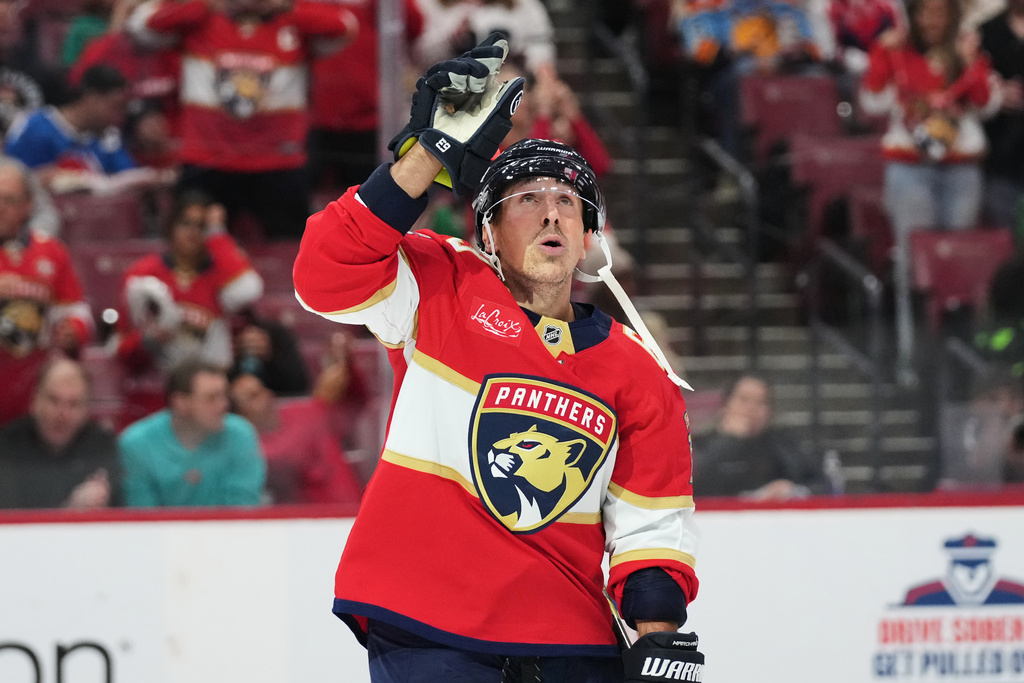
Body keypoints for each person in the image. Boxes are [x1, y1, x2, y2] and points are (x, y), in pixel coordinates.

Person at [294, 35, 700, 682]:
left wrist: (659, 637)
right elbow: (324, 276)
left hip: (571, 638)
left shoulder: (638, 370)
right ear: (486, 231)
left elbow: (652, 518)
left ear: (590, 238)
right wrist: (423, 156)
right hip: (430, 623)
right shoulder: (440, 285)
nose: (551, 212)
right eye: (527, 199)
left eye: (568, 201)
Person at [128, 0, 358, 240]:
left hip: (277, 164)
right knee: (197, 251)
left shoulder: (293, 23)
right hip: (207, 160)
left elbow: (345, 28)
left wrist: (286, 6)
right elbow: (141, 26)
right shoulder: (201, 19)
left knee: (294, 254)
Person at [859, 0, 999, 375]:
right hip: (909, 169)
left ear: (952, 15)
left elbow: (987, 105)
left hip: (961, 171)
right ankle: (913, 360)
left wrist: (972, 63)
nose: (932, 20)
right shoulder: (898, 50)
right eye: (925, 11)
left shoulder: (966, 51)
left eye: (940, 12)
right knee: (913, 265)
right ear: (914, 15)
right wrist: (881, 56)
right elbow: (871, 101)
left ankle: (960, 359)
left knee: (961, 269)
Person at [0, 158, 93, 427]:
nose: (1, 209)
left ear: (28, 206)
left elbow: (76, 310)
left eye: (9, 201)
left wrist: (73, 331)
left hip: (32, 383)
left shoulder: (51, 251)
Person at [307, 0, 424, 193]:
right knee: (316, 199)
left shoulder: (384, 7)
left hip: (373, 121)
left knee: (372, 200)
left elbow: (414, 26)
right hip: (320, 118)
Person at [3, 63, 172, 195]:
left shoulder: (109, 135)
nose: (118, 116)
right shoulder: (35, 128)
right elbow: (17, 182)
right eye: (114, 106)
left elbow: (127, 176)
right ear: (91, 98)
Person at [118, 358, 266, 507]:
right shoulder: (137, 443)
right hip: (160, 530)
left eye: (224, 395)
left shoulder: (241, 434)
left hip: (229, 529)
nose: (223, 405)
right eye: (211, 398)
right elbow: (142, 516)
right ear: (180, 403)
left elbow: (243, 509)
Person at [0, 357, 122, 509]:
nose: (62, 414)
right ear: (35, 400)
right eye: (54, 400)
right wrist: (70, 511)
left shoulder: (102, 446)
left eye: (74, 404)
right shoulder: (6, 447)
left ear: (87, 410)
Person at [230, 369, 363, 505]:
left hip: (356, 507)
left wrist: (347, 367)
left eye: (262, 389)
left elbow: (355, 403)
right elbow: (287, 457)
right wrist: (321, 403)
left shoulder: (302, 411)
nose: (267, 395)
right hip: (313, 520)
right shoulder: (253, 451)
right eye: (253, 396)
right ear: (238, 415)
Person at [691, 373, 829, 499]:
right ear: (726, 405)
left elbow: (819, 484)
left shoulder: (782, 444)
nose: (751, 408)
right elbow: (699, 487)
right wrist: (730, 442)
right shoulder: (701, 444)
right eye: (743, 400)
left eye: (760, 402)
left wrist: (792, 490)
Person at [979, 0, 1024, 228]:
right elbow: (969, 87)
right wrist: (995, 94)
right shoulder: (986, 32)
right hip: (1001, 158)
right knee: (1005, 242)